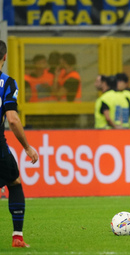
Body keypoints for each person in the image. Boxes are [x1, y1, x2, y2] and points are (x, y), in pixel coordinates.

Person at [0, 40, 39, 247]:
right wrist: (26, 146)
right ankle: (17, 237)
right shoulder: (7, 82)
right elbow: (13, 119)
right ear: (4, 57)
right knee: (14, 183)